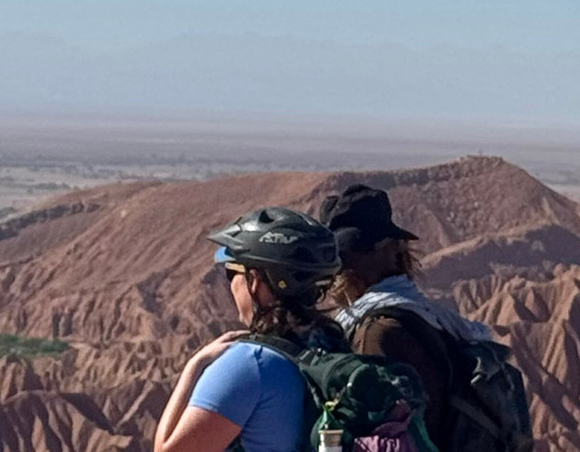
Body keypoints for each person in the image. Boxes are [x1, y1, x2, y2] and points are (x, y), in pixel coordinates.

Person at [154, 206, 346, 452]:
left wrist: (196, 365)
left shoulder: (249, 364)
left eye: (231, 272)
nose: (230, 284)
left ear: (254, 281)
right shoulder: (331, 344)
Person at [320, 184, 493, 447]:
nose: (339, 271)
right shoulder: (426, 315)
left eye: (345, 258)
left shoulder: (377, 334)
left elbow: (383, 441)